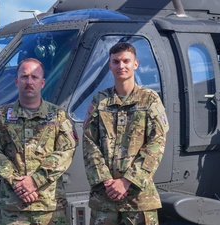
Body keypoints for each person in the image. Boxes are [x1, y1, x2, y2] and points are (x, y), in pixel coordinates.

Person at [0, 58, 78, 225]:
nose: (29, 81)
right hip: (14, 208)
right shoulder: (1, 116)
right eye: (24, 76)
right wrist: (16, 182)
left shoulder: (57, 116)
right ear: (16, 81)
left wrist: (35, 181)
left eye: (34, 77)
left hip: (49, 208)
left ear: (42, 83)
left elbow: (67, 150)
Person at [83, 42, 169, 225]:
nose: (121, 66)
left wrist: (127, 181)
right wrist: (107, 181)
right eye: (116, 61)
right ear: (110, 65)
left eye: (126, 61)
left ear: (135, 64)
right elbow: (89, 143)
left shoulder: (150, 99)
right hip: (104, 199)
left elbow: (157, 143)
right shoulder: (100, 101)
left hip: (138, 200)